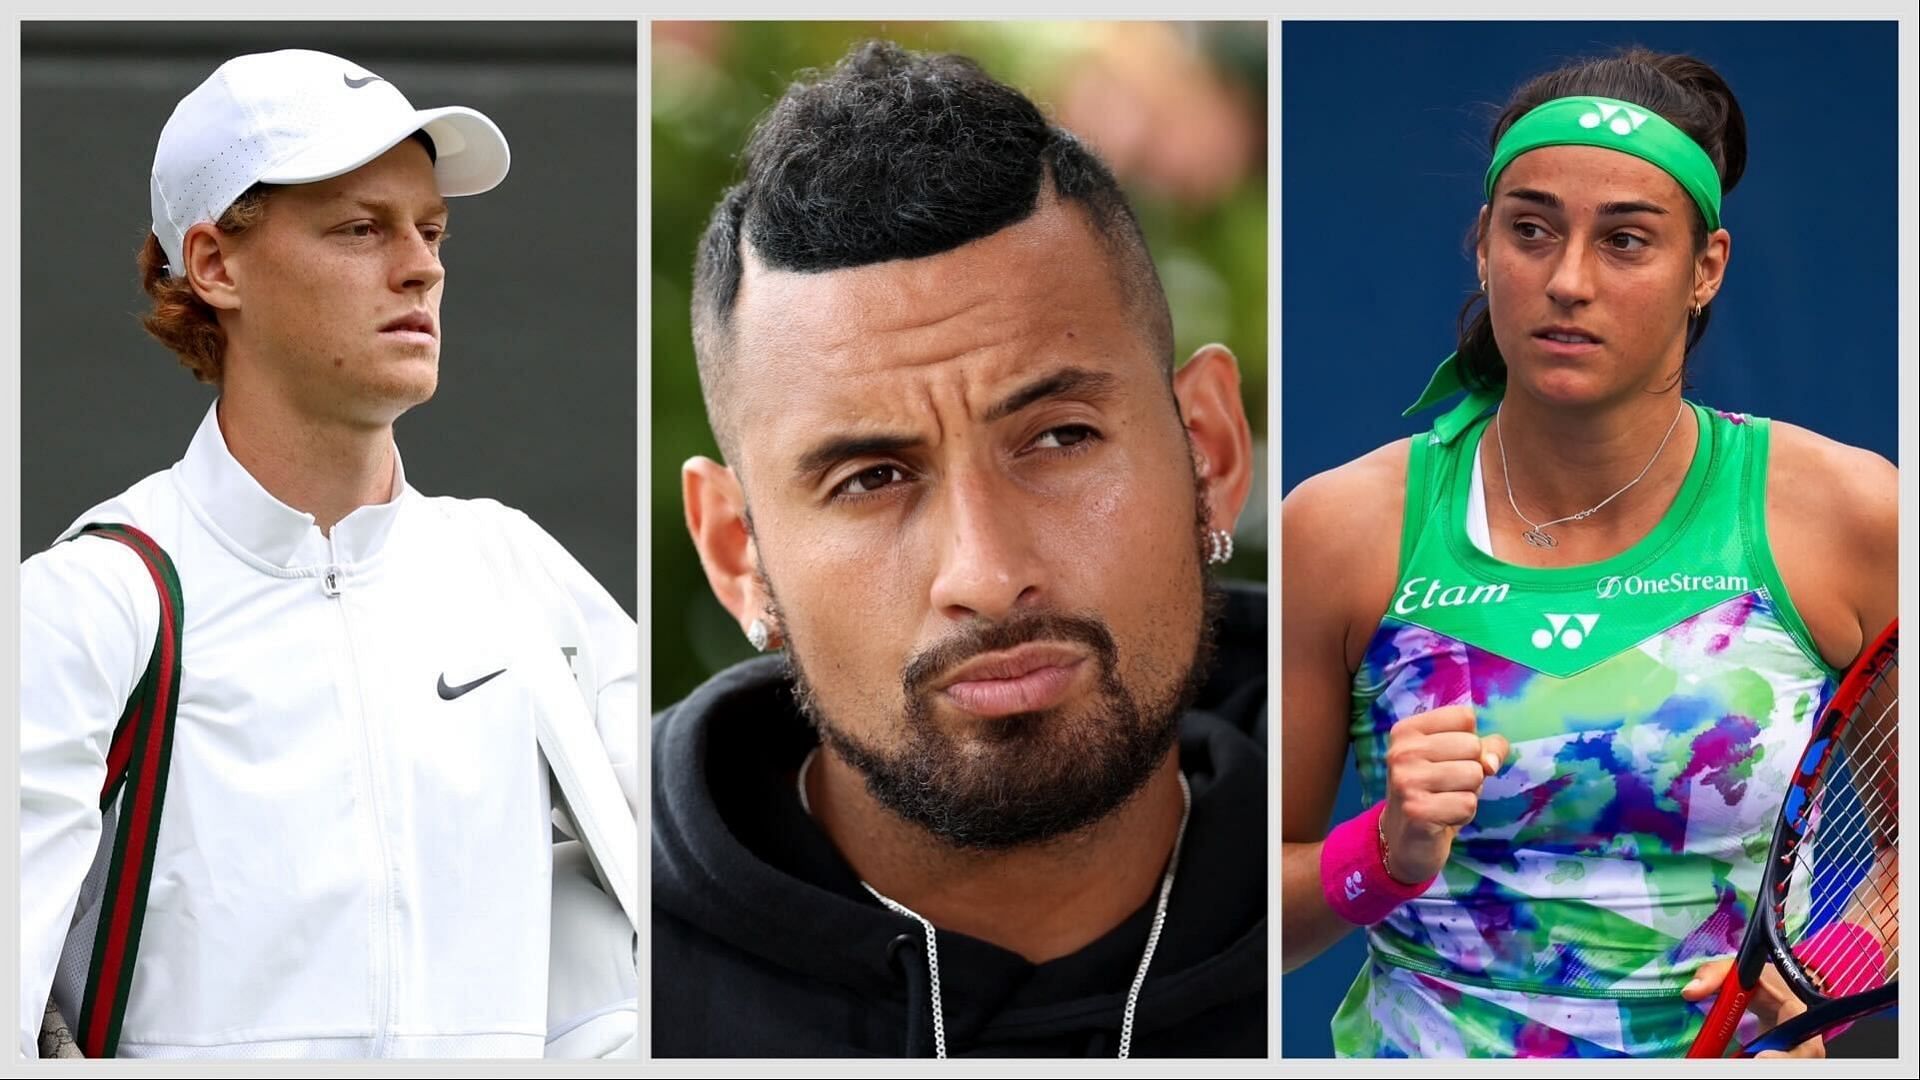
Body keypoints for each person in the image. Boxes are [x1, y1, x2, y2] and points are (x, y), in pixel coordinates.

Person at [18, 49, 638, 1059]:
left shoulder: (520, 576)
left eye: (431, 230)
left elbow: (653, 948)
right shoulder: (88, 606)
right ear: (215, 266)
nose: (422, 266)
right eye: (361, 229)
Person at [651, 41, 1266, 1057]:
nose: (984, 572)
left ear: (1209, 450)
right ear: (737, 553)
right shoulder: (572, 958)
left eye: (1061, 438)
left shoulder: (1424, 868)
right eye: (871, 480)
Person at [1280, 47, 1898, 1058]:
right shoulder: (1339, 528)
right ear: (1483, 246)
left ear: (1707, 269)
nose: (1567, 280)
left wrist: (1827, 977)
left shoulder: (1852, 513)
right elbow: (1247, 926)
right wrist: (1383, 853)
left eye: (1625, 241)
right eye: (1531, 231)